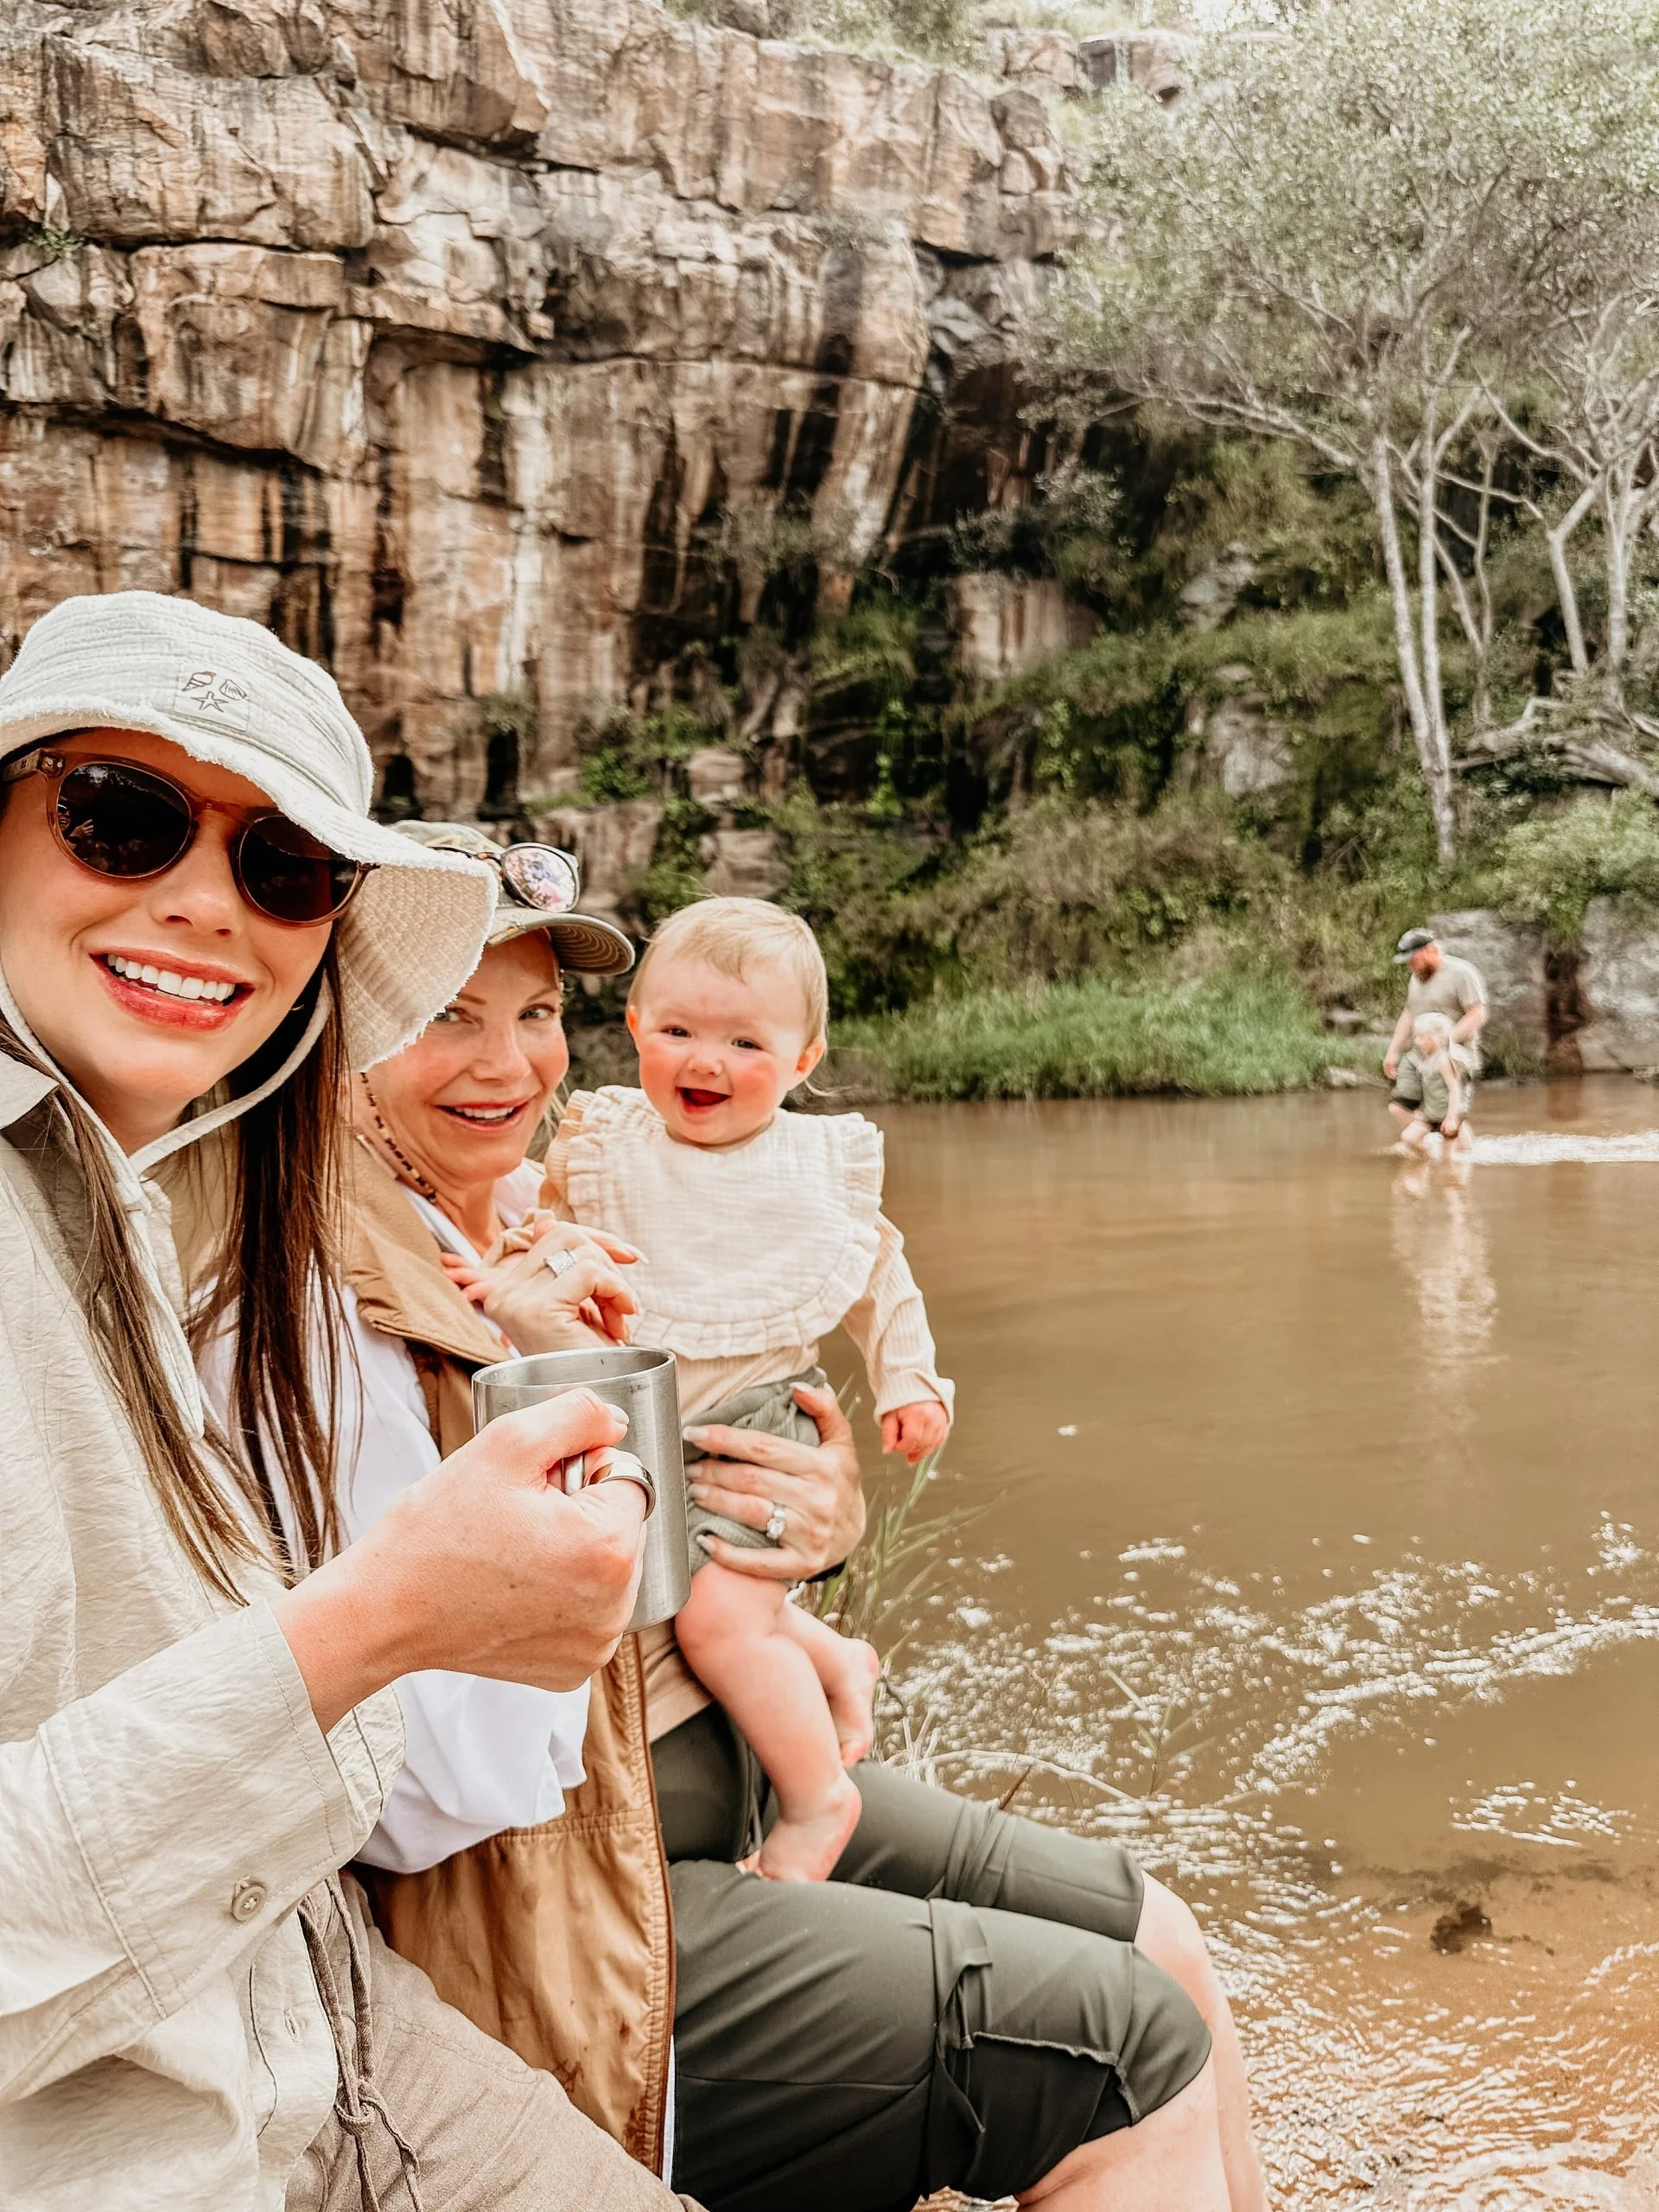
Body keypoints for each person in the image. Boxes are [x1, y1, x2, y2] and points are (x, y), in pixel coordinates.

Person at [328, 831, 1268, 2212]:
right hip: (584, 1876)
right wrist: (530, 1392)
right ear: (341, 1036)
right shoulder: (337, 1286)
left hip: (724, 1757)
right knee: (1126, 2049)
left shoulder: (555, 1200)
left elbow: (735, 1438)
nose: (513, 1065)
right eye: (443, 1016)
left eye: (537, 1016)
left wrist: (816, 1544)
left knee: (1163, 1932)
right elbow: (435, 1720)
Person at [0, 591, 686, 2212]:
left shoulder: (124, 1183)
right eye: (121, 817)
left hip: (320, 2021)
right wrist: (377, 1626)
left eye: (281, 866)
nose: (202, 905)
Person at [506, 896, 951, 1882]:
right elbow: (545, 1222)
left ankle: (816, 1800)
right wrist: (521, 1255)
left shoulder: (811, 1168)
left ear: (804, 1059)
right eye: (677, 1031)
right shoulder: (606, 1142)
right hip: (648, 1416)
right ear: (632, 1028)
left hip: (755, 1420)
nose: (705, 1061)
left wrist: (909, 1383)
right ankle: (832, 1660)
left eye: (745, 1041)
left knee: (714, 1620)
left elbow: (882, 1277)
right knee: (694, 1597)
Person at [1383, 926, 1487, 1141]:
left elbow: (1478, 1014)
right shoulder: (1416, 978)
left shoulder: (1461, 973)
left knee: (1448, 1111)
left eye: (1414, 958)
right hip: (1421, 1054)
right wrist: (1393, 1050)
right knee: (1398, 1106)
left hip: (1453, 1054)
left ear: (1430, 950)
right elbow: (1409, 1013)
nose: (1410, 964)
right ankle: (1429, 1143)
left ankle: (1456, 1155)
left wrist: (1444, 1042)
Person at [1394, 1011, 1474, 1156]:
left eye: (1421, 1037)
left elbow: (1454, 1089)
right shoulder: (1427, 1059)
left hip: (1448, 1116)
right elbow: (1428, 1088)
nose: (1417, 1041)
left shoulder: (1443, 1060)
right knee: (1408, 1138)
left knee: (1451, 1160)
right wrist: (1419, 1111)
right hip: (1431, 1115)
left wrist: (1451, 1118)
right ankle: (1429, 1159)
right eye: (1416, 1037)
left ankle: (1461, 1163)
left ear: (1435, 1038)